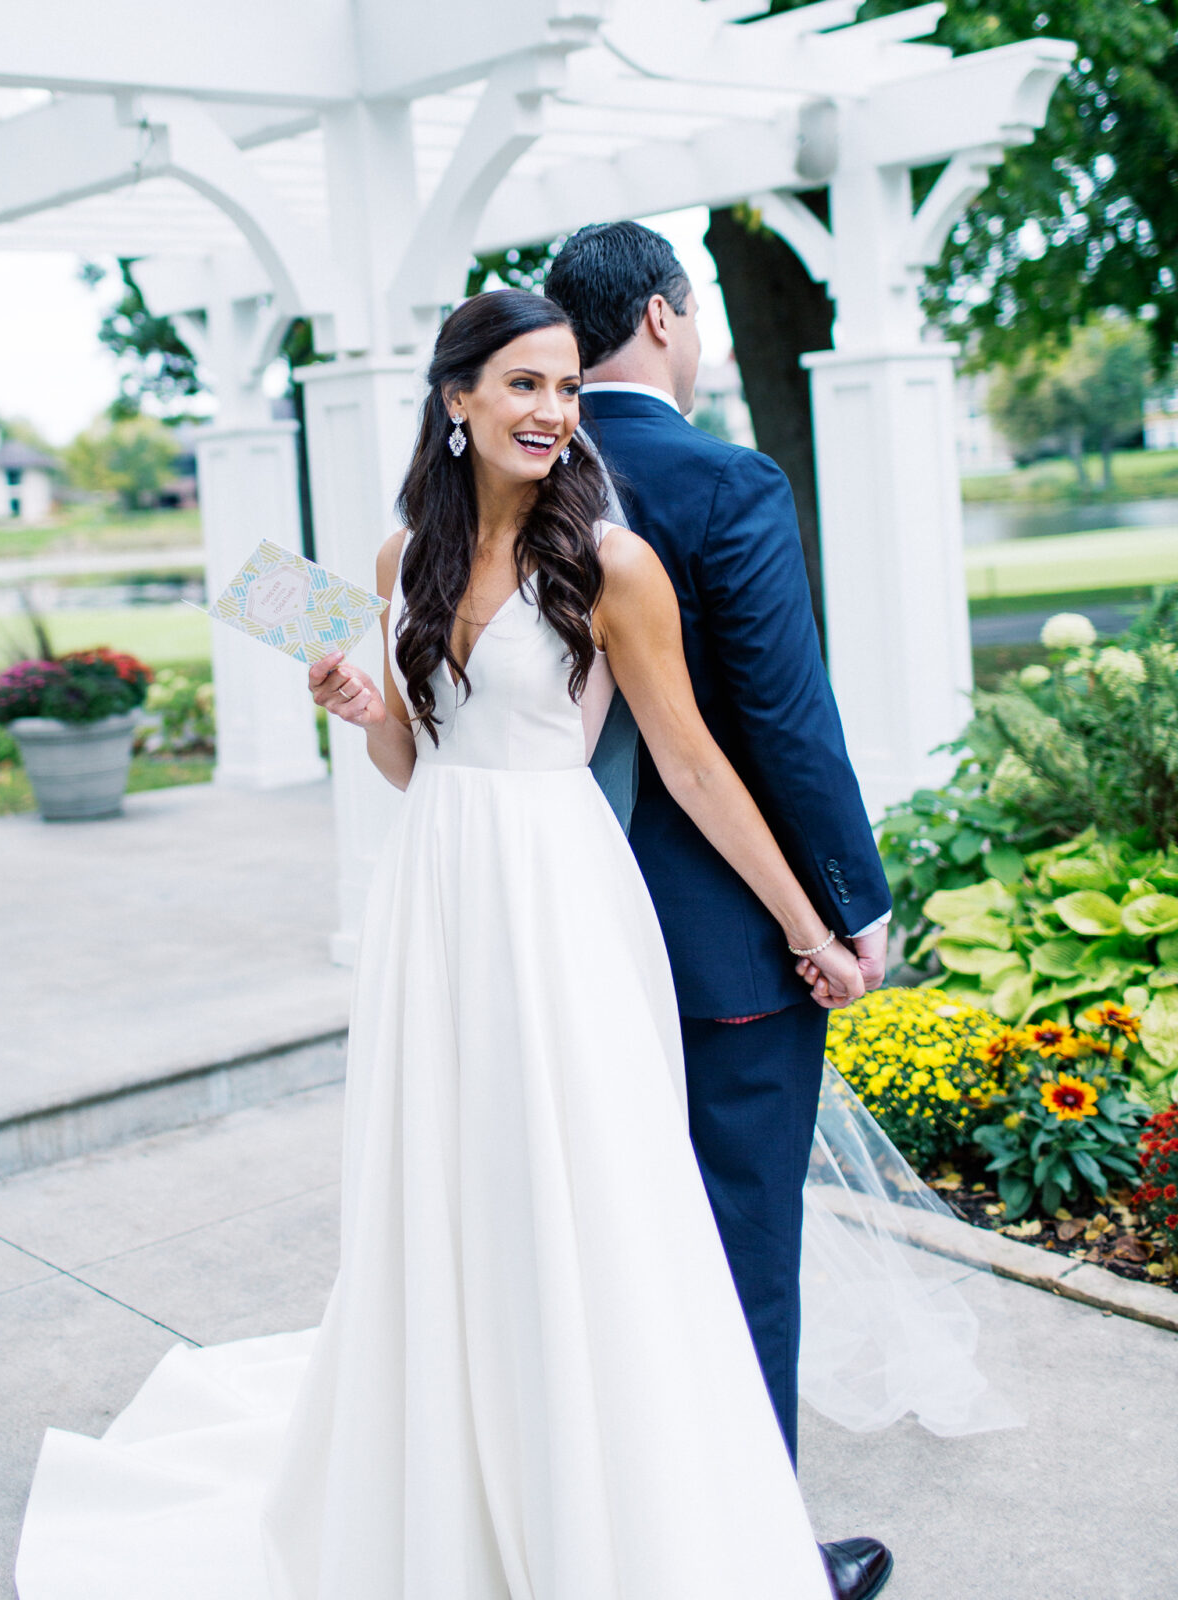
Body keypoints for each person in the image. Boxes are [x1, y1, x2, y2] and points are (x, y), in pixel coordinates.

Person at [14, 288, 860, 1599]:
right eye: (525, 385)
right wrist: (361, 704)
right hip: (440, 892)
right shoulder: (400, 557)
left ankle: (600, 1496)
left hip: (561, 898)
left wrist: (813, 927)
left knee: (583, 1190)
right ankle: (456, 1477)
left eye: (570, 388)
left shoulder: (612, 563)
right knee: (451, 1184)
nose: (553, 412)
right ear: (457, 398)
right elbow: (418, 761)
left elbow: (690, 763)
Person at [545, 221, 895, 1600]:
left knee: (586, 1252)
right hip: (716, 951)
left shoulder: (491, 484)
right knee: (739, 1243)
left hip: (530, 936)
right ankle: (748, 1559)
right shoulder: (721, 482)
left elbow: (334, 620)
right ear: (664, 315)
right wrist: (847, 905)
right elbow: (780, 726)